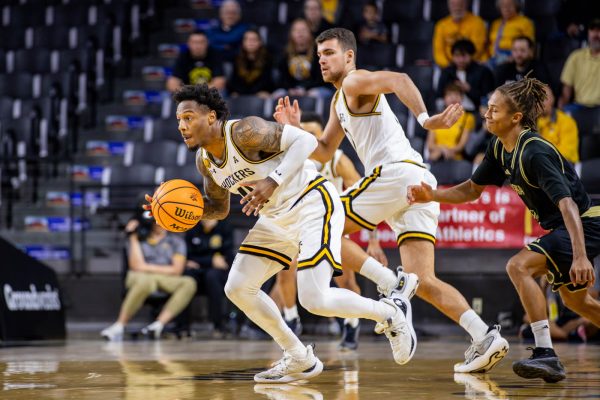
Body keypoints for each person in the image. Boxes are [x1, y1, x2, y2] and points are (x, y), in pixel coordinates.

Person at [274, 27, 509, 373]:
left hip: (395, 174)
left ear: (349, 56)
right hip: (417, 183)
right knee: (424, 281)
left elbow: (398, 79)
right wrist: (295, 132)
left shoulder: (354, 82)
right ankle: (484, 336)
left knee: (320, 224)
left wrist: (426, 119)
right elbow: (324, 150)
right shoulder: (339, 100)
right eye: (319, 54)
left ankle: (392, 285)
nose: (321, 59)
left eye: (329, 53)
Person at [148, 83, 418, 383]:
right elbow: (218, 208)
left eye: (188, 117)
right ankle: (298, 356)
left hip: (312, 202)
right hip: (274, 220)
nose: (182, 126)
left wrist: (272, 181)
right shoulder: (205, 161)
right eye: (178, 121)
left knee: (314, 298)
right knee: (237, 286)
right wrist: (175, 213)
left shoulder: (244, 131)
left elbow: (305, 141)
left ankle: (390, 312)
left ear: (211, 117)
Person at [407, 76, 600, 382]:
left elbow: (568, 206)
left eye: (494, 110)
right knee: (576, 301)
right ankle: (548, 353)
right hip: (568, 227)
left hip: (585, 221)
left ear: (516, 117)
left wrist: (580, 257)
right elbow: (472, 189)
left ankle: (546, 354)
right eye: (487, 108)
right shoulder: (499, 147)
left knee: (518, 266)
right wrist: (433, 195)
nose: (487, 114)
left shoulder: (534, 151)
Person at [273, 111, 388, 351]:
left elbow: (366, 197)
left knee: (345, 280)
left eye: (313, 133)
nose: (307, 137)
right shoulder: (291, 159)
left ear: (322, 136)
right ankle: (292, 320)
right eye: (302, 132)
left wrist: (373, 240)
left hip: (330, 225)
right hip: (298, 225)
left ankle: (352, 322)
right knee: (285, 269)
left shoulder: (336, 159)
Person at [101, 209, 197, 341]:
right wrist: (133, 236)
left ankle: (158, 325)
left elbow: (177, 270)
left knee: (188, 283)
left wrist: (147, 267)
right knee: (145, 281)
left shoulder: (176, 240)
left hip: (163, 278)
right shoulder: (138, 238)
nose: (158, 223)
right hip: (139, 277)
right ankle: (119, 325)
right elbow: (136, 266)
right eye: (155, 220)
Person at [184, 218, 235, 336]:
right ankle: (182, 327)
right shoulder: (192, 226)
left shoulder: (225, 227)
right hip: (198, 270)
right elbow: (188, 257)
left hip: (218, 272)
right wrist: (211, 260)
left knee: (212, 277)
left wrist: (202, 261)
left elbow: (227, 258)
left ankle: (218, 325)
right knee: (187, 278)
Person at [273, 18, 329, 99]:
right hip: (291, 89)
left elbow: (320, 78)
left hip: (314, 88)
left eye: (303, 30)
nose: (300, 33)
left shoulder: (319, 52)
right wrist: (290, 89)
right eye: (296, 30)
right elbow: (282, 78)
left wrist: (305, 89)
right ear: (291, 34)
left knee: (314, 94)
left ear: (310, 33)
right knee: (277, 94)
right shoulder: (285, 53)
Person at [436, 39, 495, 112]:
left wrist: (469, 89)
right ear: (452, 56)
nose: (460, 60)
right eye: (457, 56)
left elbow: (488, 97)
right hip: (450, 111)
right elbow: (439, 95)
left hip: (476, 112)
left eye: (464, 56)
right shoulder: (447, 72)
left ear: (471, 55)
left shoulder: (483, 72)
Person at [558, 19, 600, 111]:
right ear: (588, 33)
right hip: (579, 107)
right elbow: (566, 91)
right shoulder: (575, 57)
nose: (596, 34)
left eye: (599, 30)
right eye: (593, 30)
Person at [427, 83, 475, 161]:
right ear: (444, 99)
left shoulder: (468, 118)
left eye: (456, 95)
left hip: (455, 157)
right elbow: (430, 145)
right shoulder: (436, 117)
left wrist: (447, 150)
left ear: (462, 98)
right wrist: (442, 150)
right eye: (449, 95)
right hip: (438, 155)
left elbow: (461, 146)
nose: (453, 98)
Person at [432, 0, 487, 68]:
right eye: (453, 4)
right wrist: (449, 65)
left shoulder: (478, 23)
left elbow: (477, 50)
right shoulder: (441, 25)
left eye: (460, 4)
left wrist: (461, 62)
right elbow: (438, 53)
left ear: (466, 4)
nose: (457, 7)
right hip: (448, 66)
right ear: (449, 5)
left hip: (472, 64)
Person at [537, 85, 579, 164]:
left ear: (552, 99)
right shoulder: (531, 124)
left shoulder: (566, 121)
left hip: (565, 167)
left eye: (544, 98)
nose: (541, 103)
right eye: (537, 99)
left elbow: (566, 154)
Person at [227, 29, 274, 98]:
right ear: (243, 42)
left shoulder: (267, 59)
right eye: (247, 39)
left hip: (260, 94)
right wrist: (239, 92)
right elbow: (234, 81)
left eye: (254, 40)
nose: (251, 42)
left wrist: (259, 93)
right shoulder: (236, 59)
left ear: (260, 42)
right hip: (241, 94)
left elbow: (267, 81)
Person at [488, 0, 535, 67]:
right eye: (503, 5)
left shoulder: (525, 22)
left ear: (516, 6)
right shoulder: (496, 23)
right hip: (494, 57)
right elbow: (490, 44)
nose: (506, 8)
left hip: (513, 56)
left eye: (510, 5)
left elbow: (529, 46)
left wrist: (514, 57)